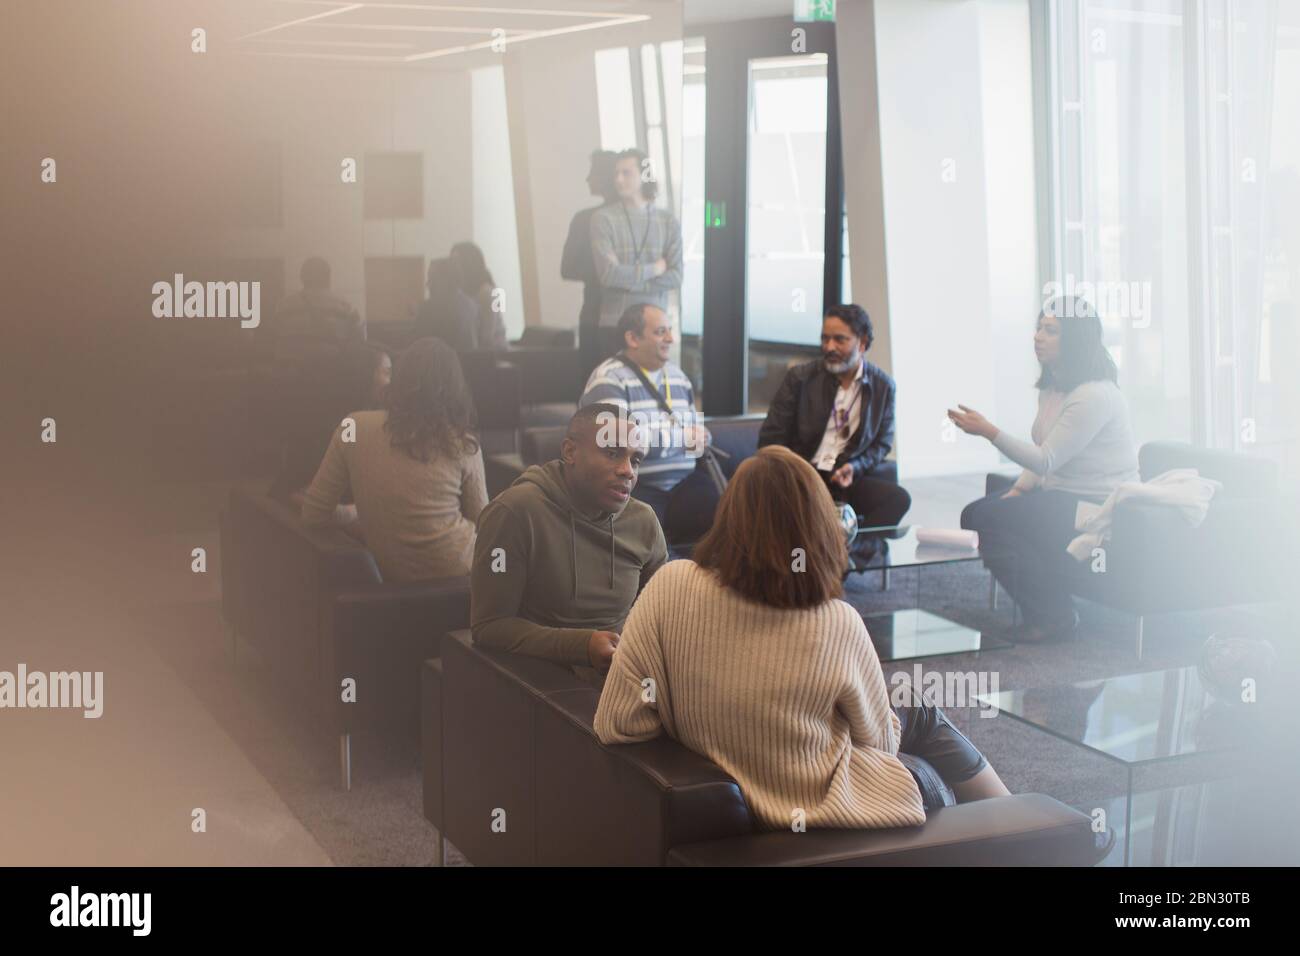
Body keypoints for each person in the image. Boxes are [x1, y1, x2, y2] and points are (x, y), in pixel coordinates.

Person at [594, 445, 1010, 830]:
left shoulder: (670, 583)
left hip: (745, 794)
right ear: (816, 526)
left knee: (913, 705)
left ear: (729, 514)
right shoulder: (835, 622)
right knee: (922, 747)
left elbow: (619, 720)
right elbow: (881, 746)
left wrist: (704, 718)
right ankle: (1020, 823)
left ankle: (1019, 818)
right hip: (833, 804)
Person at [952, 297, 1139, 643]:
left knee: (983, 517)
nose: (1037, 337)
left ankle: (1054, 614)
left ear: (1075, 339)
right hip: (1060, 495)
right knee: (979, 515)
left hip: (1095, 507)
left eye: (1050, 331)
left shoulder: (1095, 395)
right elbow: (1048, 457)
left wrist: (989, 431)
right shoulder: (1054, 388)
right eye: (1039, 328)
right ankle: (1051, 609)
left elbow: (1045, 459)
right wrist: (1020, 489)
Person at [470, 403, 667, 672]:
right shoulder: (514, 514)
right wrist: (582, 646)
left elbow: (661, 613)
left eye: (635, 460)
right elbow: (489, 626)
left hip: (626, 674)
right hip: (548, 682)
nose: (627, 471)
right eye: (612, 453)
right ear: (570, 452)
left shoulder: (644, 522)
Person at [301, 337, 487, 582]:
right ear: (455, 388)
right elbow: (488, 529)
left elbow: (313, 514)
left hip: (395, 582)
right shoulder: (462, 443)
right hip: (465, 575)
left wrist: (360, 514)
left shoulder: (353, 426)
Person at [758, 304, 910, 531]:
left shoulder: (883, 386)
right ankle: (834, 549)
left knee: (897, 499)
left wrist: (855, 466)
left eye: (840, 339)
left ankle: (849, 551)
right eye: (825, 338)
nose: (829, 347)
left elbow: (882, 443)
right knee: (805, 508)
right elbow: (771, 438)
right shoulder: (800, 378)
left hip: (845, 476)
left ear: (862, 343)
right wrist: (797, 473)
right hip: (804, 475)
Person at [578, 303, 714, 544]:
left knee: (727, 515)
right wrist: (682, 439)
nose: (671, 339)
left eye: (670, 330)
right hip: (635, 488)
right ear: (632, 338)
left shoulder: (678, 377)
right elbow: (619, 442)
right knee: (649, 542)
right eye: (661, 331)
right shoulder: (609, 377)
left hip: (685, 483)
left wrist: (702, 438)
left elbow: (696, 436)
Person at [270, 342, 391, 515]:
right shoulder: (326, 431)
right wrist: (346, 514)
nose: (391, 382)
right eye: (387, 372)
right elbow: (289, 491)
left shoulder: (381, 421)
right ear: (366, 377)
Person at [590, 148, 682, 361]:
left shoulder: (667, 221)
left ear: (645, 175)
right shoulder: (603, 219)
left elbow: (676, 276)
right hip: (614, 324)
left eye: (626, 173)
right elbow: (608, 276)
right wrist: (654, 270)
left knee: (653, 390)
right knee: (615, 389)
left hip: (655, 326)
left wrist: (627, 279)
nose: (619, 179)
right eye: (616, 174)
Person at [562, 150, 618, 383]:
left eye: (593, 173)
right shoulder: (585, 219)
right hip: (594, 316)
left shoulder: (586, 219)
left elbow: (568, 268)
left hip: (600, 319)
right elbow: (566, 268)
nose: (588, 179)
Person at [274, 257, 366, 345]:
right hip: (331, 360)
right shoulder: (345, 307)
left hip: (290, 360)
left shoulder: (284, 306)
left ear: (302, 278)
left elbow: (275, 337)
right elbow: (358, 340)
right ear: (328, 277)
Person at [450, 241, 508, 352]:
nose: (453, 266)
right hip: (474, 348)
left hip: (494, 352)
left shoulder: (488, 293)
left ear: (469, 263)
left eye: (457, 261)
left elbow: (487, 337)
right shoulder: (461, 292)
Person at [415, 258, 478, 352]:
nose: (427, 284)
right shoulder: (473, 305)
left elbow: (418, 345)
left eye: (431, 278)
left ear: (443, 280)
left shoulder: (430, 307)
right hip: (470, 364)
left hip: (440, 363)